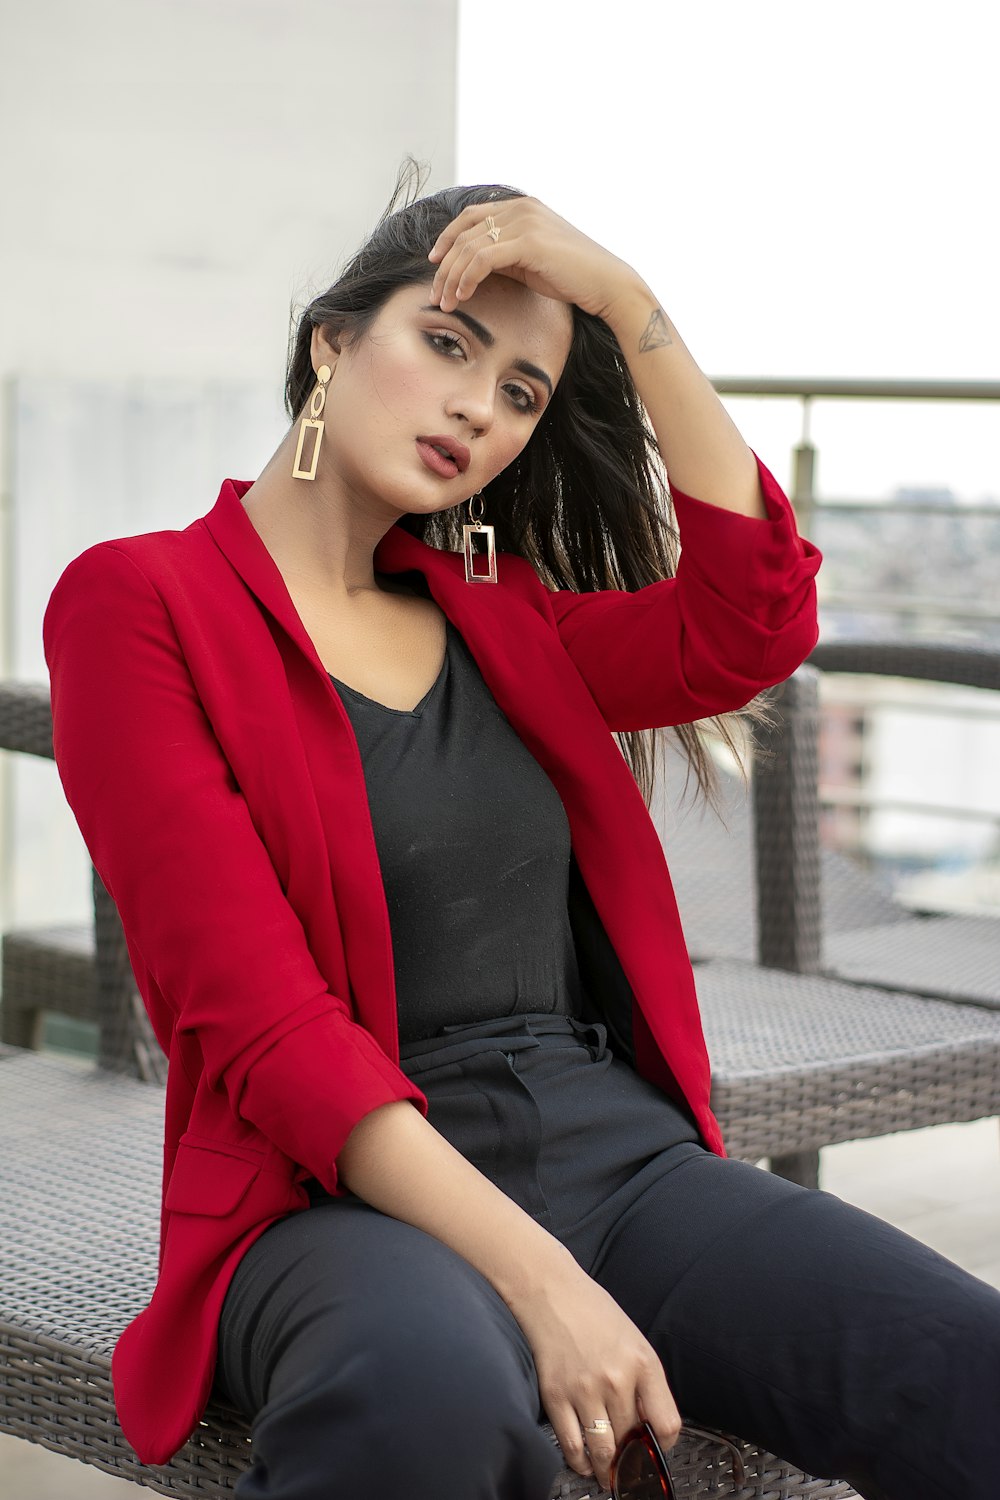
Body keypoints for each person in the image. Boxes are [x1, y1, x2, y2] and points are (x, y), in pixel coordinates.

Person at [42, 178, 1000, 1500]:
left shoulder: (510, 621)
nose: (477, 407)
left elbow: (753, 622)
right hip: (330, 1195)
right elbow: (254, 1021)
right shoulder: (139, 602)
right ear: (331, 342)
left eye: (522, 393)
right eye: (447, 344)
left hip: (615, 1150)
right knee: (428, 1407)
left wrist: (627, 299)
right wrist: (543, 1279)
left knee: (960, 1363)